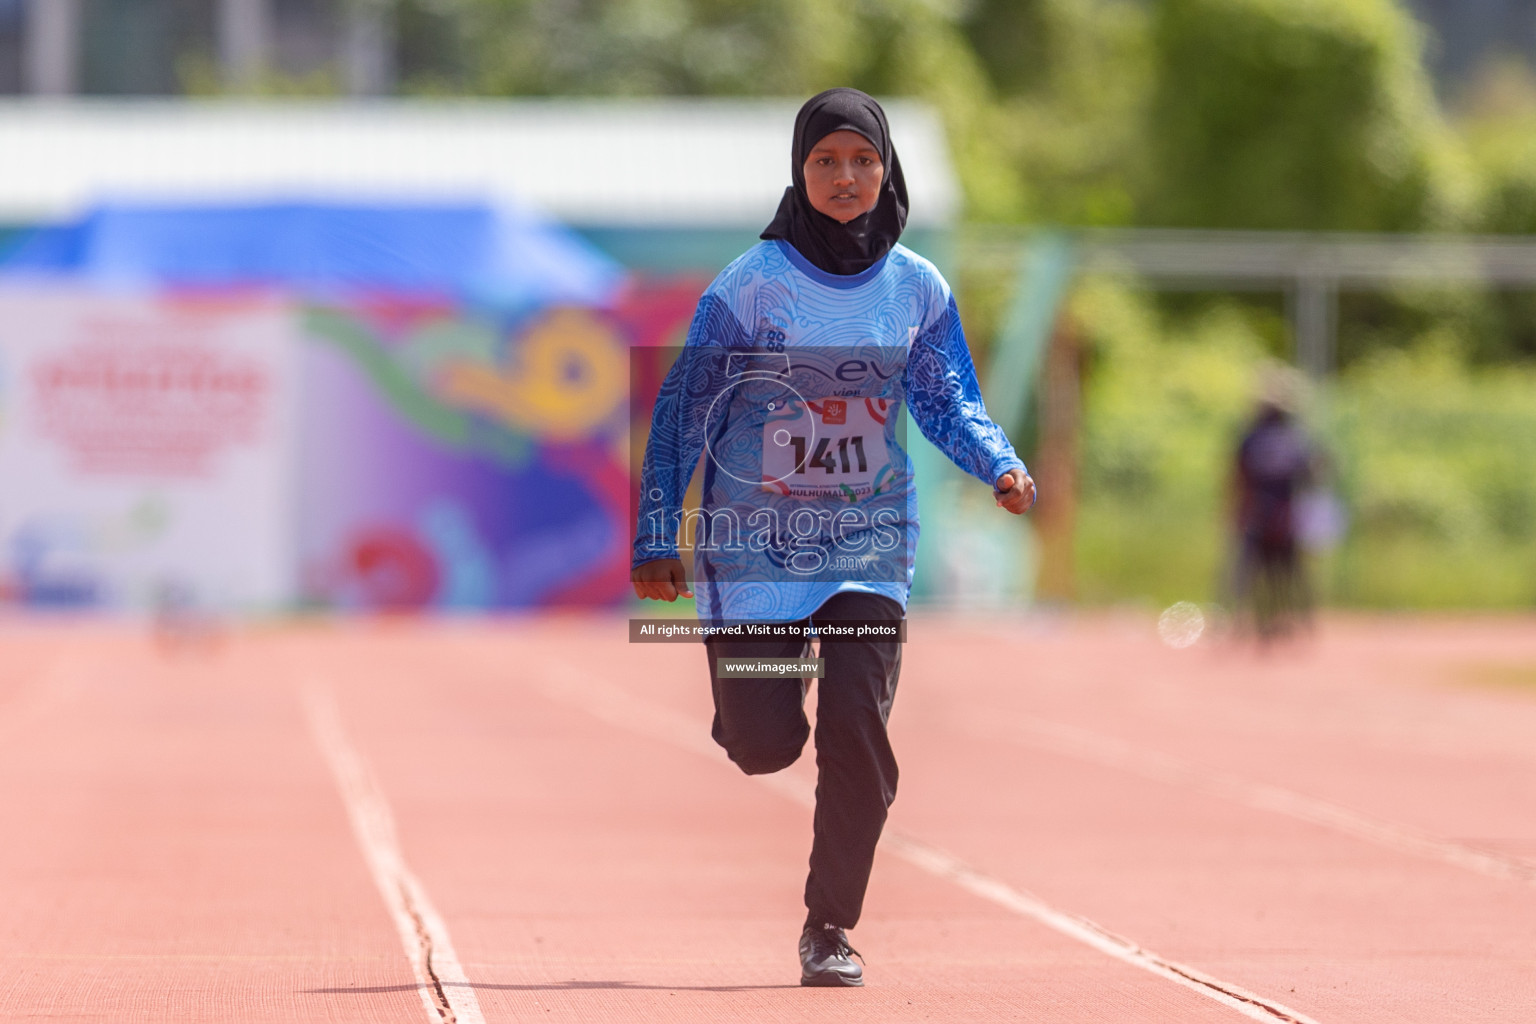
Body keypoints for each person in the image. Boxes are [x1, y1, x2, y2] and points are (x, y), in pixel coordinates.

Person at [632, 88, 1035, 988]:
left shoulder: (917, 289)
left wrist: (997, 461)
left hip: (867, 547)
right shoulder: (751, 287)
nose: (846, 178)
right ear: (800, 172)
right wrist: (659, 531)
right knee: (765, 745)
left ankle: (830, 926)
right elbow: (683, 411)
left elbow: (947, 397)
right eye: (826, 162)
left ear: (887, 169)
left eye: (862, 161)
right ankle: (747, 710)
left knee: (856, 730)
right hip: (754, 552)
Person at [1228, 369, 1317, 641]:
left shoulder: (1255, 436)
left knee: (1264, 572)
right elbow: (1311, 474)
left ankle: (1269, 620)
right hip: (1281, 515)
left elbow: (1237, 475)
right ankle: (1280, 619)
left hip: (1265, 513)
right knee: (1282, 573)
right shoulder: (1293, 437)